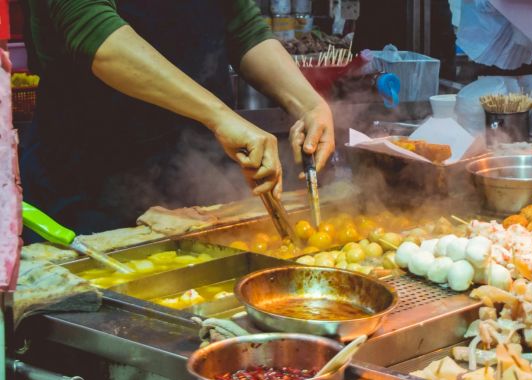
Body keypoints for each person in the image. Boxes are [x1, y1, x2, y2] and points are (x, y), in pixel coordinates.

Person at [20, 0, 335, 235]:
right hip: (90, 186)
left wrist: (310, 104)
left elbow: (244, 27)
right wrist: (219, 116)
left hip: (195, 177)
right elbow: (95, 33)